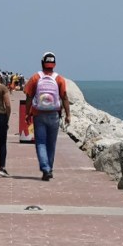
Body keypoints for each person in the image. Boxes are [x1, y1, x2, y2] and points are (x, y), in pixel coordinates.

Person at [24, 52, 71, 181]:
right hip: (54, 114)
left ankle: (45, 169)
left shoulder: (35, 77)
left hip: (38, 114)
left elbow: (28, 97)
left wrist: (27, 113)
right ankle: (49, 168)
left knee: (41, 143)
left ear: (42, 63)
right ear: (54, 64)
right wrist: (68, 115)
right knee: (51, 143)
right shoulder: (59, 78)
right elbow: (64, 97)